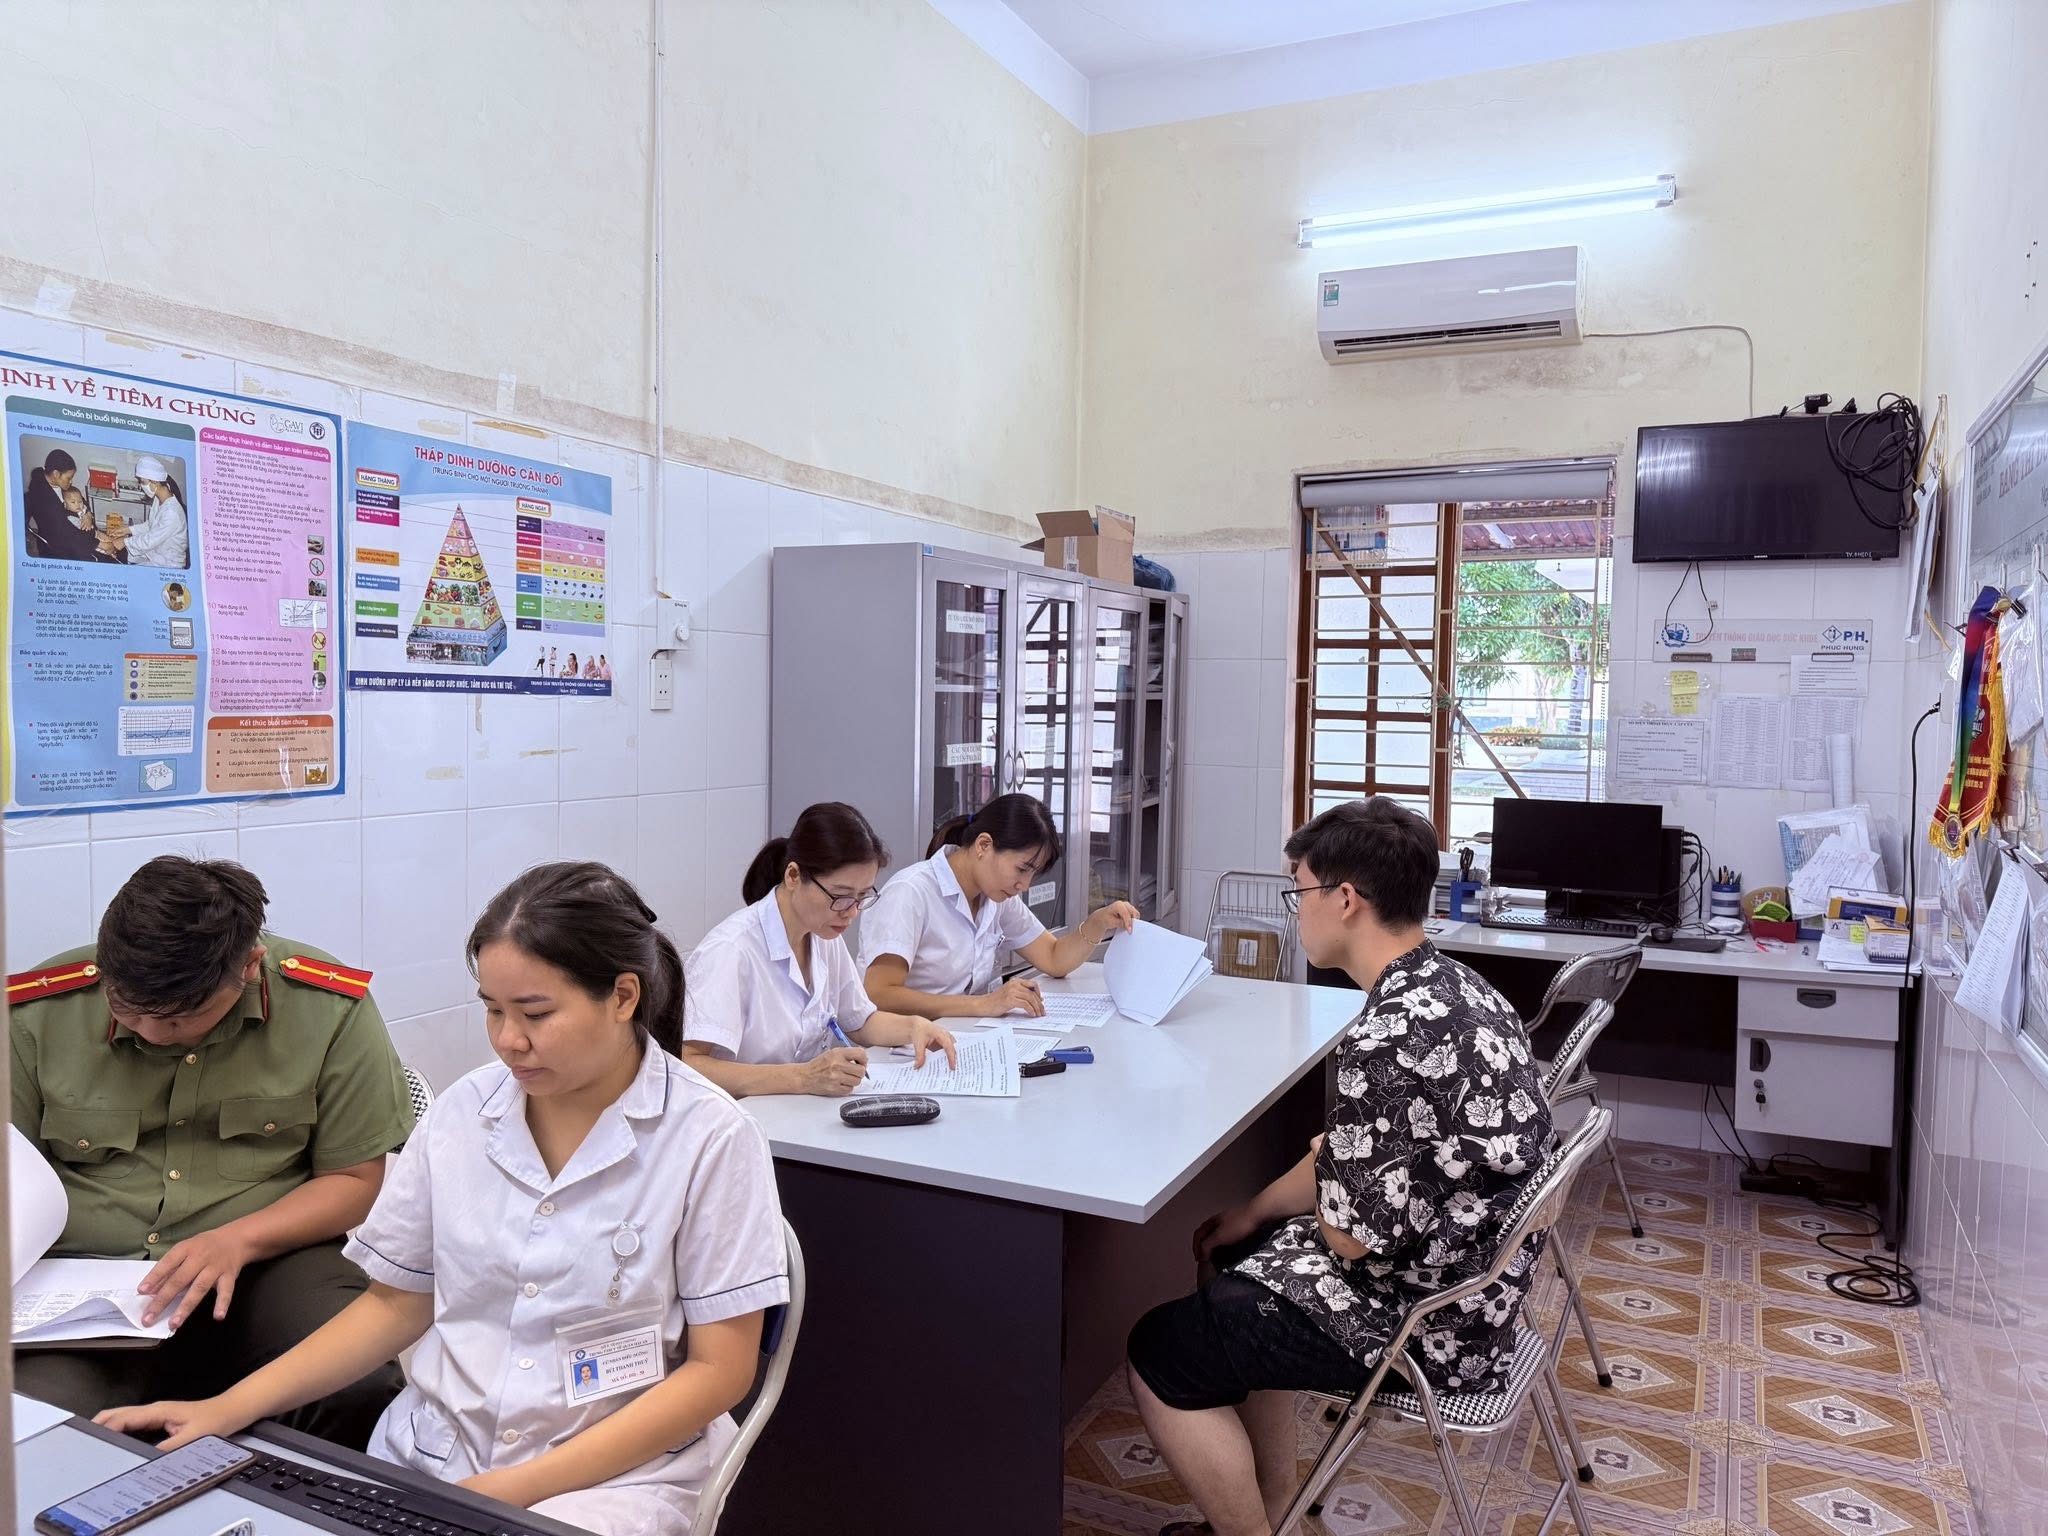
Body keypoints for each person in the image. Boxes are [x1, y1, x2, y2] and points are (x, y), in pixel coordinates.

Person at [100, 862, 790, 1535]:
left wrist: (505, 1492)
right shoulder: (465, 1113)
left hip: (609, 1482)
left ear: (623, 997)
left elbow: (719, 1372)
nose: (508, 1040)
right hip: (433, 1460)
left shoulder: (710, 1138)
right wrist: (226, 1409)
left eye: (536, 1013)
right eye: (492, 1010)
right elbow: (395, 1304)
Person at [1123, 799, 1556, 1536]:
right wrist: (1254, 1212)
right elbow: (1354, 1162)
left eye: (1299, 891)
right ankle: (1278, 1509)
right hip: (1479, 1291)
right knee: (1238, 1253)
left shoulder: (1385, 1036)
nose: (1297, 911)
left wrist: (1319, 1195)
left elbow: (1350, 1238)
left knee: (1159, 1351)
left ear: (1345, 899)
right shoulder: (1461, 988)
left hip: (1425, 1323)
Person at [10, 856, 412, 1447]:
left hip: (268, 1260)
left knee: (356, 1389)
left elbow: (353, 1179)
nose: (150, 1032)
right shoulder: (38, 1011)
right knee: (36, 1426)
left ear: (248, 967)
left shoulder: (327, 1006)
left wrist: (237, 1240)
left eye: (180, 1018)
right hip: (88, 1291)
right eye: (126, 1008)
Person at [682, 802, 957, 1097]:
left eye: (862, 897)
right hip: (741, 1115)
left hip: (799, 1111)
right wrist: (803, 1077)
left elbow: (860, 1021)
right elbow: (688, 1064)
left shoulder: (823, 935)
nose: (851, 912)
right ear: (793, 876)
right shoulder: (731, 950)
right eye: (840, 896)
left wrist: (913, 1027)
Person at [860, 793, 1137, 1019]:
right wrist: (984, 1004)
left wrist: (1098, 922)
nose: (1024, 885)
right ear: (984, 845)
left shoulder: (994, 897)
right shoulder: (910, 892)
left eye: (1032, 875)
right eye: (1022, 869)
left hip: (962, 1037)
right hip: (904, 1049)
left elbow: (1053, 958)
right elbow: (880, 994)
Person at [115, 454, 189, 567]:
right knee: (125, 554)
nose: (141, 486)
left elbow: (150, 540)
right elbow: (151, 525)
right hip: (157, 551)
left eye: (143, 482)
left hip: (169, 563)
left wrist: (124, 542)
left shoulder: (172, 513)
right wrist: (128, 530)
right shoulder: (159, 498)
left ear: (155, 482)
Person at [24, 447, 88, 560]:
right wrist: (96, 542)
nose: (71, 481)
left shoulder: (60, 484)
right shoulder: (43, 499)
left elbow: (79, 498)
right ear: (56, 474)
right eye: (69, 478)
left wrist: (88, 514)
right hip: (58, 546)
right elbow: (64, 531)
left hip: (74, 528)